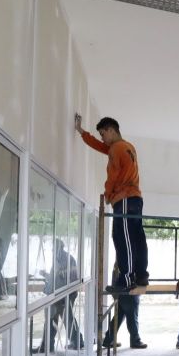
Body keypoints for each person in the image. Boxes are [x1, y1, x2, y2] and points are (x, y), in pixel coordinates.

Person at [76, 115, 148, 291]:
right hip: (134, 198)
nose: (102, 138)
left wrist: (108, 194)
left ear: (111, 130)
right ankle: (141, 275)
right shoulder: (127, 147)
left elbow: (113, 175)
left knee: (123, 239)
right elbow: (100, 146)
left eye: (102, 133)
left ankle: (126, 279)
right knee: (136, 237)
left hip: (123, 197)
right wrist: (81, 132)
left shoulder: (116, 149)